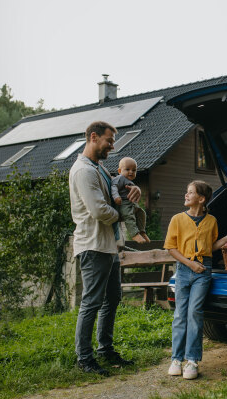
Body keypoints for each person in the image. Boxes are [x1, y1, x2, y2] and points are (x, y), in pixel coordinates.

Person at [69, 121, 141, 376]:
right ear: (93, 137)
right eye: (109, 141)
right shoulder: (83, 171)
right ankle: (84, 358)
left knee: (113, 298)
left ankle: (105, 350)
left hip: (109, 246)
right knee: (92, 302)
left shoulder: (98, 167)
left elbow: (118, 187)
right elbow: (99, 211)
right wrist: (124, 216)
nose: (112, 146)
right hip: (93, 246)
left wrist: (135, 191)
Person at [163, 180, 227, 380]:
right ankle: (176, 359)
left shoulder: (211, 221)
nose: (186, 195)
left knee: (195, 313)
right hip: (184, 269)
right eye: (187, 192)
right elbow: (171, 248)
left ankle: (192, 361)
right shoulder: (177, 219)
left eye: (190, 192)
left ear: (202, 199)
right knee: (180, 315)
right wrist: (190, 264)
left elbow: (211, 246)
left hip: (203, 271)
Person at [111, 157, 150, 244]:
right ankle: (134, 234)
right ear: (120, 171)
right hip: (123, 203)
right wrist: (116, 197)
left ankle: (142, 231)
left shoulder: (129, 181)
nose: (131, 172)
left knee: (141, 213)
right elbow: (114, 187)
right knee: (129, 216)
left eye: (134, 170)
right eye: (127, 169)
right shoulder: (119, 178)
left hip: (131, 203)